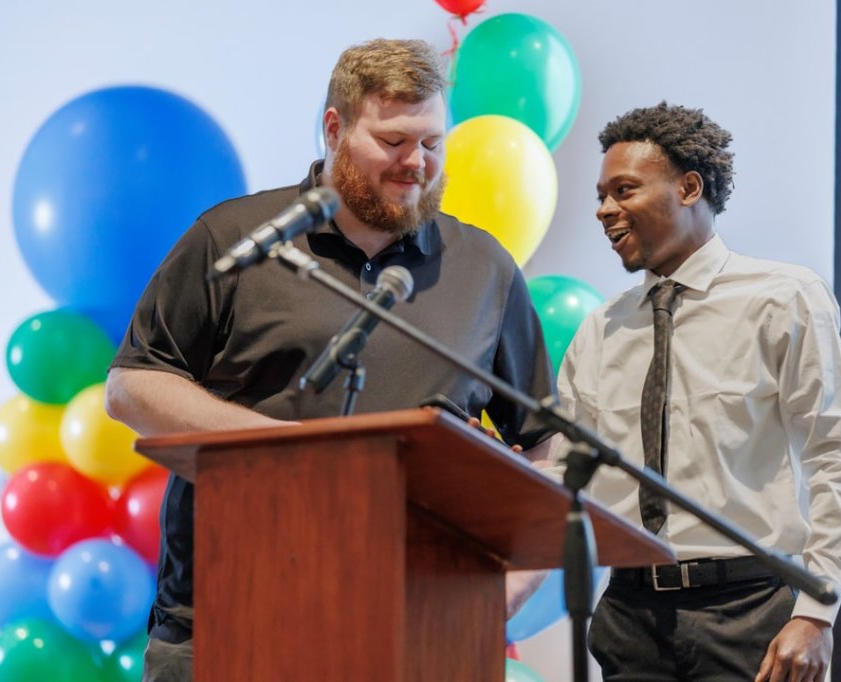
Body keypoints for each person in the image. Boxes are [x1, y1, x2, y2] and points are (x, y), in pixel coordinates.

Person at [104, 38, 556, 681]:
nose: (416, 164)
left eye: (433, 144)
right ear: (335, 128)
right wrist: (286, 451)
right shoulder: (232, 238)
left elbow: (544, 445)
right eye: (394, 141)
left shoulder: (485, 268)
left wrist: (507, 588)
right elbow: (132, 385)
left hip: (419, 633)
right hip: (228, 621)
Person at [549, 102, 841, 681]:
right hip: (629, 618)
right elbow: (572, 475)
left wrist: (816, 614)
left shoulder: (783, 298)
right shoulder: (601, 329)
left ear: (690, 187)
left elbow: (836, 459)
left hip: (750, 611)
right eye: (600, 196)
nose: (604, 210)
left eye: (623, 190)